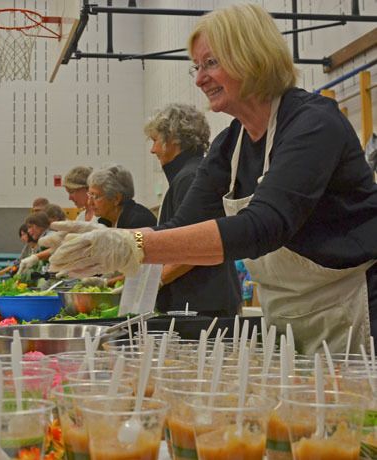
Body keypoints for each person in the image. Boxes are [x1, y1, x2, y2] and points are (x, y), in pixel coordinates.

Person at [46, 3, 377, 355]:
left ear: (252, 56)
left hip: (356, 309)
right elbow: (179, 227)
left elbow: (263, 226)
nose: (199, 78)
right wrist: (114, 240)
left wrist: (135, 245)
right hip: (289, 317)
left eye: (211, 63)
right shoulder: (229, 146)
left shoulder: (313, 124)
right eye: (197, 67)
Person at [146, 104, 241, 317]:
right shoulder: (191, 174)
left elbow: (196, 247)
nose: (153, 150)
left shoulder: (191, 177)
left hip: (204, 303)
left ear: (173, 139)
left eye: (155, 141)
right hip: (201, 300)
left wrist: (155, 282)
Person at [88, 165, 156, 229]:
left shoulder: (140, 222)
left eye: (95, 197)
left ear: (116, 199)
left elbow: (140, 241)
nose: (90, 203)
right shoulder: (105, 222)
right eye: (89, 195)